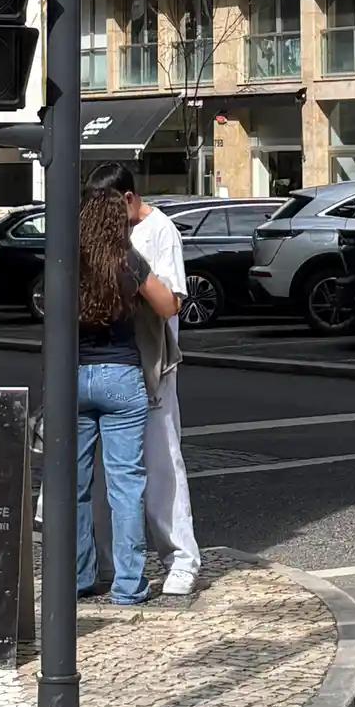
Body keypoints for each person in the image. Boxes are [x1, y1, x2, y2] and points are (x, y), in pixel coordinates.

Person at [94, 164, 201, 598]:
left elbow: (171, 301)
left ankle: (180, 558)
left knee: (160, 459)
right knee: (108, 468)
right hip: (112, 360)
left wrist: (129, 277)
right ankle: (106, 561)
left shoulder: (159, 231)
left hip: (152, 362)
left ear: (127, 198)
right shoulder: (104, 230)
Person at [76, 187, 178, 605]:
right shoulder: (127, 261)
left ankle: (78, 577)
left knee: (75, 485)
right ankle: (128, 585)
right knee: (125, 485)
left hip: (74, 377)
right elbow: (168, 305)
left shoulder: (70, 261)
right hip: (121, 375)